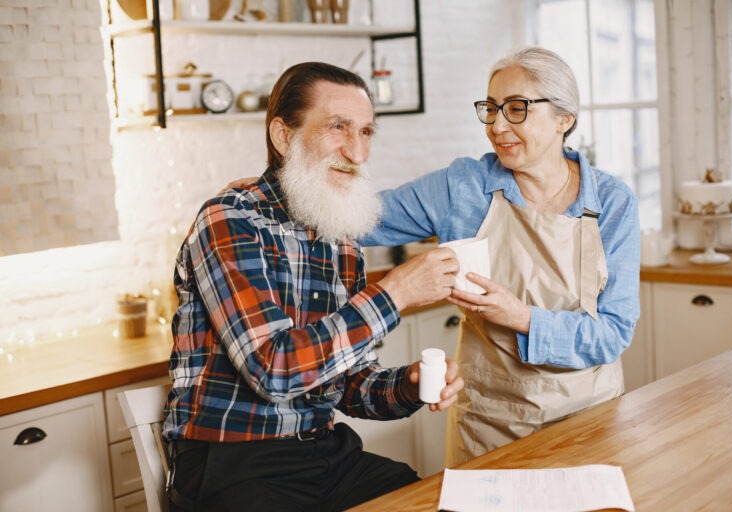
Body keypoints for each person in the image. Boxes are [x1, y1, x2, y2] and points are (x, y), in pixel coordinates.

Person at [163, 61, 464, 512]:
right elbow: (273, 368)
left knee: (433, 502)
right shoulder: (229, 220)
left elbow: (347, 385)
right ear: (283, 137)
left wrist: (406, 385)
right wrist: (395, 293)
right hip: (233, 463)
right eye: (337, 128)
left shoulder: (339, 236)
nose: (357, 153)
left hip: (324, 452)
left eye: (365, 133)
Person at [361, 46, 641, 466]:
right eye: (490, 109)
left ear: (564, 118)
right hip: (491, 424)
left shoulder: (612, 202)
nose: (496, 126)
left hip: (590, 418)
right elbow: (361, 219)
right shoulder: (465, 187)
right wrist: (272, 195)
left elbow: (614, 333)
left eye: (516, 109)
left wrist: (522, 318)